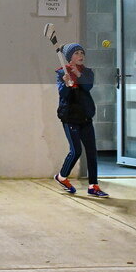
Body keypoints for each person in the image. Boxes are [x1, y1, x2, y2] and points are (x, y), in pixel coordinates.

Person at [53, 43, 109, 197]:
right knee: (76, 151)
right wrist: (66, 84)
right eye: (77, 53)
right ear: (70, 57)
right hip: (70, 118)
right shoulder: (61, 73)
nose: (80, 55)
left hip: (85, 117)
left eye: (82, 52)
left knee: (91, 152)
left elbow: (87, 86)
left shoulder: (87, 73)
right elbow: (63, 95)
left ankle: (93, 186)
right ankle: (61, 177)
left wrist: (77, 73)